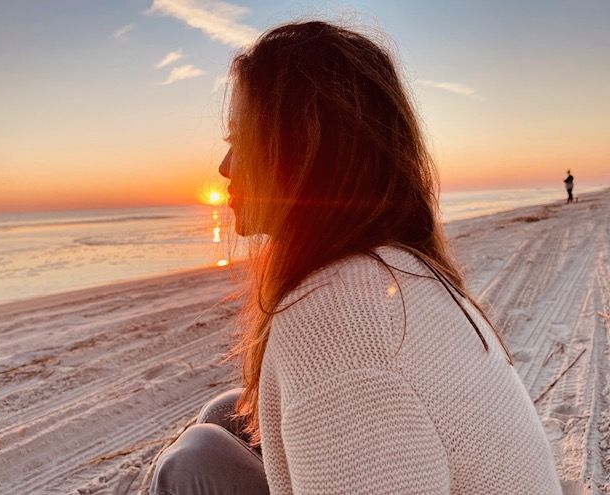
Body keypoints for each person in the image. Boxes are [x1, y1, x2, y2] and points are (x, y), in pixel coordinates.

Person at [150, 21, 562, 494]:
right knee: (227, 415)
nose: (225, 167)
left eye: (240, 139)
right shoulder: (399, 263)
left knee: (191, 462)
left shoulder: (333, 317)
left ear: (300, 152)